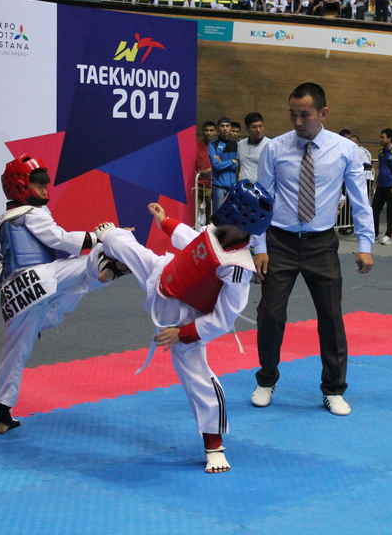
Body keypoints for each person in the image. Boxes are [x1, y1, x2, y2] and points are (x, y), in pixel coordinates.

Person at [95, 181, 274, 473]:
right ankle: (111, 259)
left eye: (230, 201)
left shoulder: (238, 266)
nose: (223, 203)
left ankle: (214, 444)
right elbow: (190, 239)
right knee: (114, 237)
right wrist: (165, 221)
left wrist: (184, 333)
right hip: (161, 273)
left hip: (183, 316)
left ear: (239, 215)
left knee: (199, 380)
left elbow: (225, 318)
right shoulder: (215, 230)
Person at [250, 82, 374, 417]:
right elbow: (261, 199)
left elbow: (360, 200)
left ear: (323, 113)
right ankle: (266, 379)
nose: (297, 121)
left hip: (321, 244)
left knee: (331, 318)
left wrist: (365, 244)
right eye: (292, 114)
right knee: (270, 314)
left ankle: (334, 388)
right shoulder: (274, 148)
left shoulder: (345, 150)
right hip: (279, 242)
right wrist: (258, 246)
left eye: (304, 114)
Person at [0, 155, 128, 435]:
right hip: (40, 277)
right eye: (38, 185)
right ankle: (106, 266)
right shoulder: (31, 213)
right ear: (21, 187)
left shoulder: (1, 223)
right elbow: (59, 239)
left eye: (45, 184)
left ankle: (2, 411)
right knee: (92, 262)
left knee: (15, 352)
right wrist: (100, 237)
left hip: (15, 296)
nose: (45, 190)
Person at [372, 128, 392, 246]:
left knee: (390, 212)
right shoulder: (381, 152)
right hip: (381, 186)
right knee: (374, 210)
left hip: (391, 186)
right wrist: (375, 183)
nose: (380, 139)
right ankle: (375, 233)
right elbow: (381, 168)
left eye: (383, 137)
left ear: (389, 138)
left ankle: (388, 235)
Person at [208, 118, 238, 211]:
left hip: (233, 188)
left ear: (230, 128)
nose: (225, 128)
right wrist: (232, 161)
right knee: (219, 216)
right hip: (219, 187)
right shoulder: (213, 145)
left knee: (232, 216)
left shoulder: (237, 145)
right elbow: (216, 165)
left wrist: (223, 162)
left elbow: (238, 165)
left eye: (227, 126)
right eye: (222, 126)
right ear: (218, 128)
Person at [237, 112, 270, 183]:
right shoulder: (240, 144)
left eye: (260, 126)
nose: (258, 130)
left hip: (261, 187)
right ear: (247, 129)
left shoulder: (270, 145)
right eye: (254, 127)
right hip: (242, 186)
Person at [195, 121, 216, 225]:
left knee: (210, 213)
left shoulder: (217, 147)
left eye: (211, 130)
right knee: (195, 213)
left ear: (215, 132)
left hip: (212, 184)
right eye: (206, 130)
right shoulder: (196, 146)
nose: (208, 133)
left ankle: (208, 231)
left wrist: (211, 170)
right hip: (198, 184)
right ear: (203, 132)